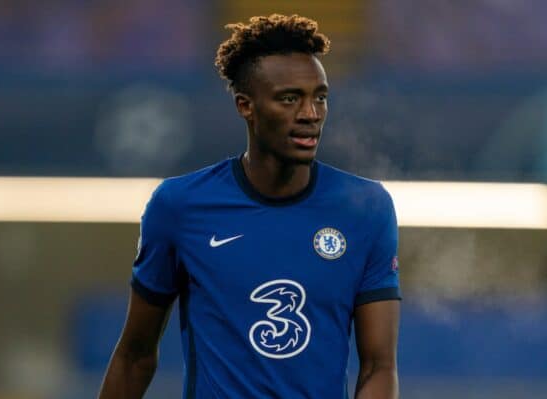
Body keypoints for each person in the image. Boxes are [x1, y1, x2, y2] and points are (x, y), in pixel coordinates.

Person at [99, 14, 401, 399]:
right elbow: (134, 357)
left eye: (320, 97)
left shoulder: (366, 209)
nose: (311, 114)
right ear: (246, 106)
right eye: (290, 98)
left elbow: (379, 366)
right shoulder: (179, 206)